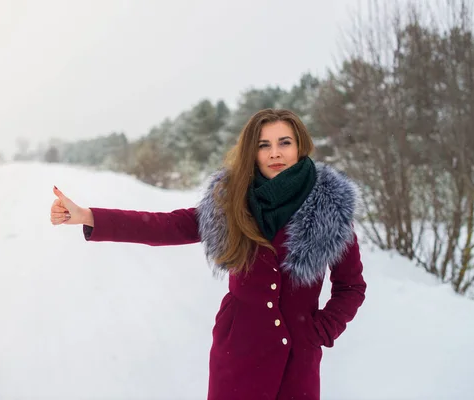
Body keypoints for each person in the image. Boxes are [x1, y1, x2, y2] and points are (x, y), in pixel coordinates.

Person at [50, 108, 367, 400]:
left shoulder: (330, 210)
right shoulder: (231, 203)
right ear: (252, 152)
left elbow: (351, 287)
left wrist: (320, 331)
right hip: (239, 355)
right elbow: (167, 226)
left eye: (284, 142)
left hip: (297, 364)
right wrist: (89, 216)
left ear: (300, 146)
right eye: (263, 145)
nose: (274, 153)